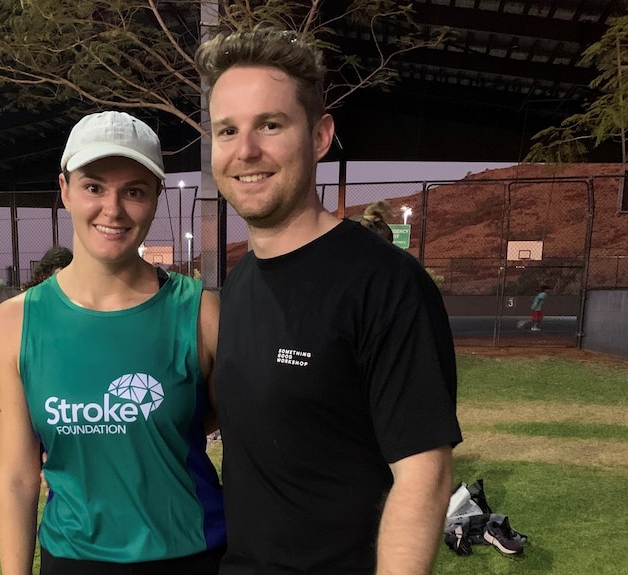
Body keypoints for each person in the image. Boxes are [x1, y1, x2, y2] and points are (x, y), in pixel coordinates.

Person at [195, 26, 463, 575]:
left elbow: (423, 477)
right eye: (227, 131)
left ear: (319, 136)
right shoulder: (241, 283)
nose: (245, 151)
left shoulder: (385, 283)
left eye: (270, 125)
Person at [0, 110, 225, 575]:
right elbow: (17, 477)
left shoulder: (201, 313)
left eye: (133, 191)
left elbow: (238, 437)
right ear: (65, 190)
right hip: (74, 559)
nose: (112, 210)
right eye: (93, 187)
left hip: (190, 556)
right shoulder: (15, 323)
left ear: (156, 197)